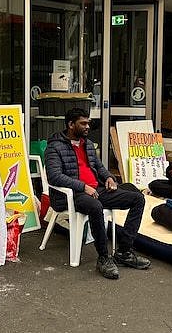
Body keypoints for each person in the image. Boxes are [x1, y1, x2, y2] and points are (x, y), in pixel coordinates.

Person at [45, 108, 150, 279]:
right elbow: (54, 176)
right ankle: (103, 257)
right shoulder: (54, 147)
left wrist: (109, 178)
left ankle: (124, 252)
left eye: (88, 123)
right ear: (71, 125)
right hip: (73, 195)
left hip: (97, 189)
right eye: (83, 123)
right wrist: (82, 186)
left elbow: (99, 167)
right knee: (95, 206)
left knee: (138, 199)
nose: (88, 127)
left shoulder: (87, 143)